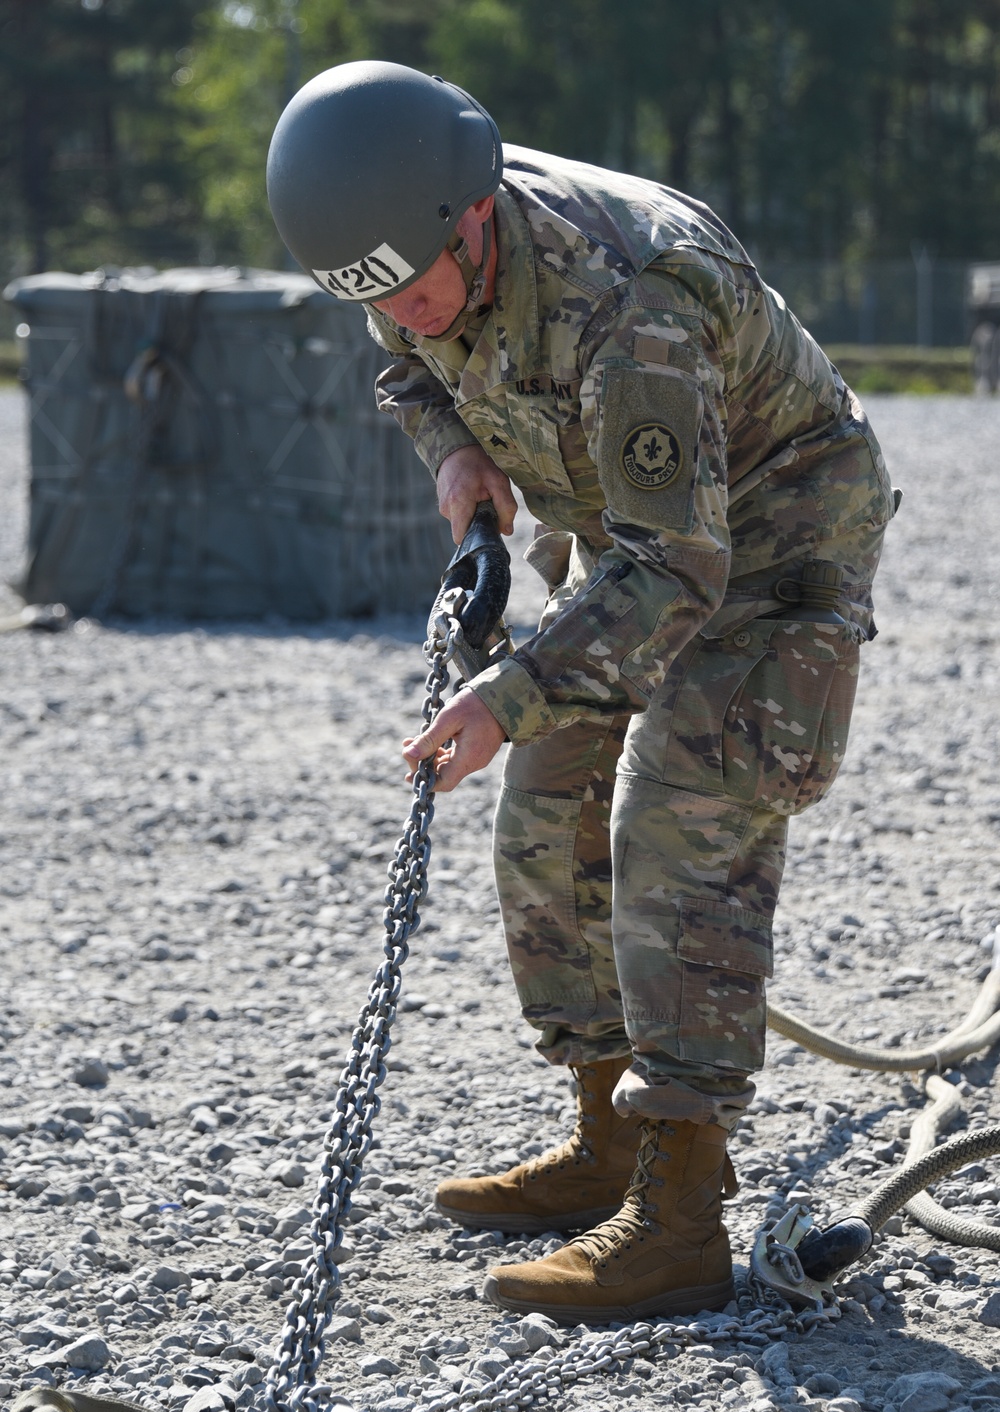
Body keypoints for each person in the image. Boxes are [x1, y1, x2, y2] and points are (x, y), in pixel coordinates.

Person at [267, 61, 894, 1325]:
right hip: (632, 539)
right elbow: (409, 367)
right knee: (543, 813)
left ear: (472, 217)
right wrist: (457, 464)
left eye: (422, 288)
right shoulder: (400, 250)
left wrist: (508, 692)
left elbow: (685, 564)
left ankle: (677, 1218)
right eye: (383, 297)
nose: (412, 314)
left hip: (770, 545)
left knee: (677, 813)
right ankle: (604, 1137)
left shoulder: (633, 297)